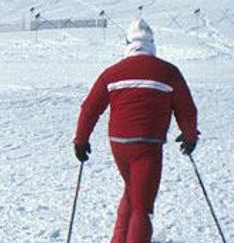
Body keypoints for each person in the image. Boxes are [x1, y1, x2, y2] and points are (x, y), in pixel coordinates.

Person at [73, 19, 198, 243]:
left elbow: (90, 108)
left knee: (133, 191)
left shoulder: (112, 73)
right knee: (143, 207)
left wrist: (81, 141)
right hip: (147, 145)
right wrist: (189, 136)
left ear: (128, 43)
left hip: (118, 143)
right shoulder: (168, 72)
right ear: (151, 43)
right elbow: (186, 108)